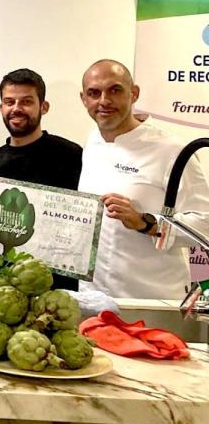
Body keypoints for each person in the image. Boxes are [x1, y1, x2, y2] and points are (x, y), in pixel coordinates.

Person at [77, 59, 209, 299]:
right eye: (94, 93)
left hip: (152, 298)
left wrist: (146, 223)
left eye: (115, 90)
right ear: (84, 99)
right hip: (93, 296)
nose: (104, 101)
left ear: (134, 93)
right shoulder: (92, 142)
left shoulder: (171, 150)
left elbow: (205, 224)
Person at [0, 69, 83, 290]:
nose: (16, 109)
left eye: (26, 102)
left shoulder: (71, 155)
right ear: (1, 107)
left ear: (44, 107)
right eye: (9, 102)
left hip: (57, 285)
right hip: (2, 284)